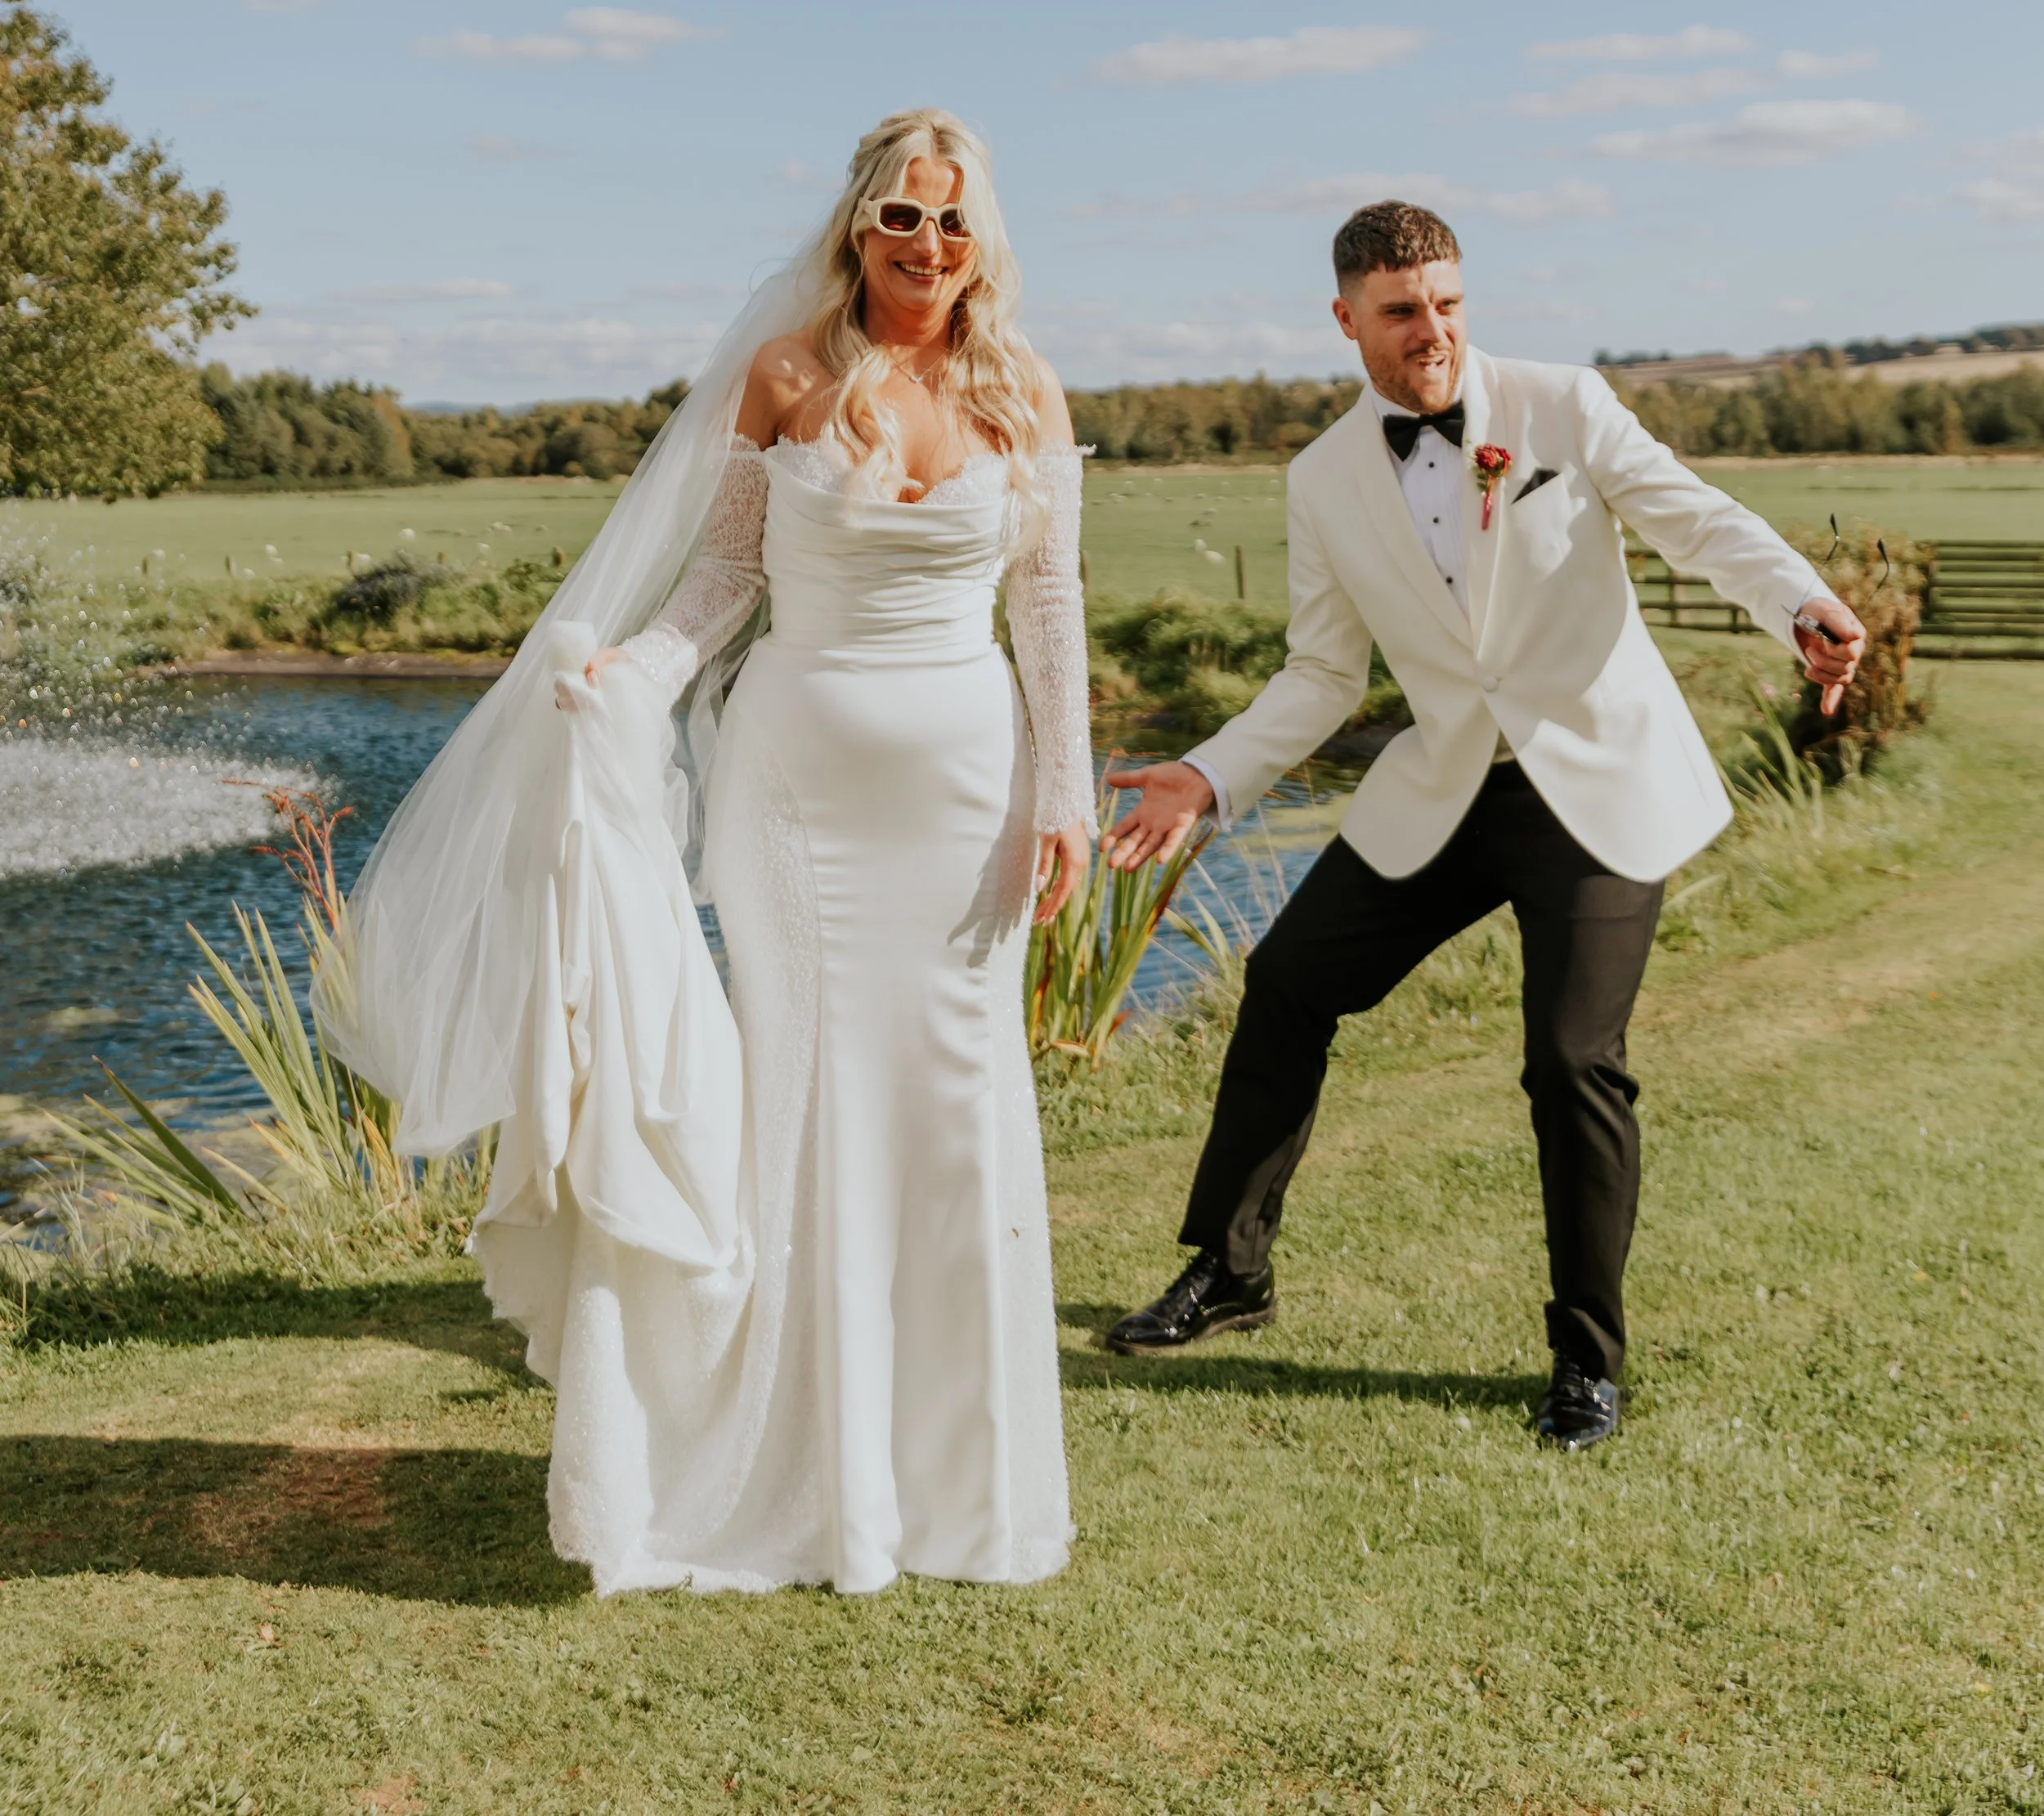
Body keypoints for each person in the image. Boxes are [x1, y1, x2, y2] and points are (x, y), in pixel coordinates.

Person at [318, 110, 1091, 1593]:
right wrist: (634, 679)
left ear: (982, 236)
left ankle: (957, 1490)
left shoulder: (1023, 389)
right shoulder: (787, 375)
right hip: (798, 800)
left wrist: (1066, 790)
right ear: (856, 227)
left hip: (967, 801)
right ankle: (803, 1479)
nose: (927, 245)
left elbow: (1047, 610)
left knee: (954, 1111)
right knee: (806, 1108)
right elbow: (727, 576)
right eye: (900, 218)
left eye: (952, 221)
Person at [1100, 200, 1866, 1450]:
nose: (1433, 332)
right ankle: (1231, 1270)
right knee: (1289, 978)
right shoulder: (1321, 478)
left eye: (1449, 304)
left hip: (1596, 788)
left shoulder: (1564, 404)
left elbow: (1692, 515)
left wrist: (1800, 601)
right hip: (1449, 786)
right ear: (1345, 319)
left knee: (1573, 1060)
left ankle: (1587, 1362)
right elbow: (1319, 676)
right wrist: (1207, 774)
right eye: (1402, 312)